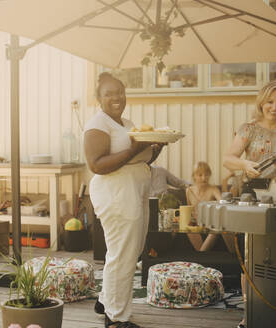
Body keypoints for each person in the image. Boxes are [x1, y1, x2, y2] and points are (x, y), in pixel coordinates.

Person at [84, 72, 164, 328]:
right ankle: (116, 318)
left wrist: (155, 149)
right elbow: (96, 164)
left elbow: (139, 160)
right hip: (116, 194)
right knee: (123, 254)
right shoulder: (98, 124)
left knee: (132, 250)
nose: (116, 97)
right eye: (109, 93)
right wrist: (135, 148)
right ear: (99, 98)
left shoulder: (127, 124)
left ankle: (106, 300)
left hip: (136, 190)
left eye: (119, 92)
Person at [223, 80, 276, 328]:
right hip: (252, 195)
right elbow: (228, 159)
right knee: (250, 257)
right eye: (270, 101)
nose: (274, 107)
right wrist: (245, 165)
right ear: (261, 103)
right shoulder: (248, 129)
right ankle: (250, 315)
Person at [186, 162, 234, 252]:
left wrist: (225, 182)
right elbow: (189, 210)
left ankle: (201, 253)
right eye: (200, 175)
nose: (204, 178)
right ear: (194, 176)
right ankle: (201, 253)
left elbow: (224, 204)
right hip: (196, 224)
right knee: (187, 227)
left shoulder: (213, 189)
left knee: (217, 228)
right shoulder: (188, 191)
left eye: (206, 175)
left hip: (210, 223)